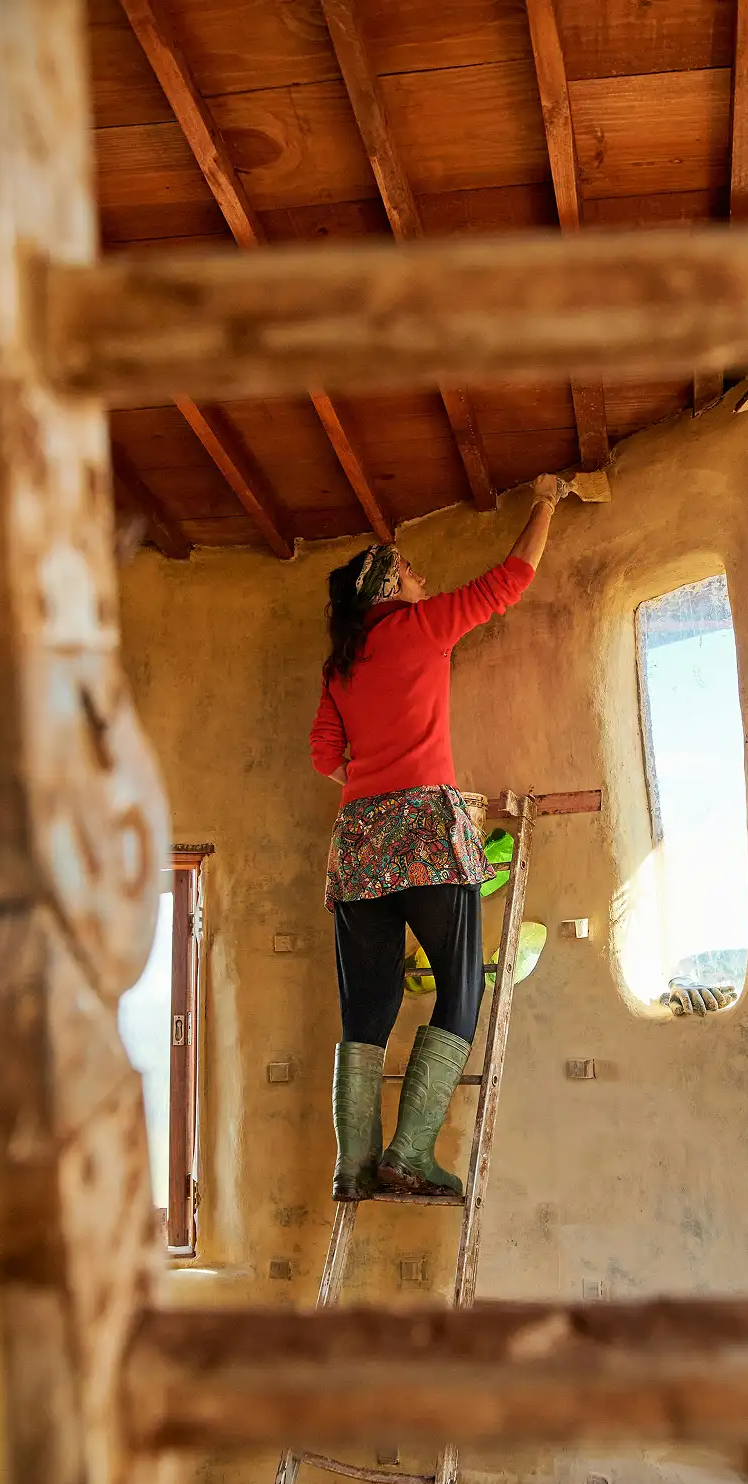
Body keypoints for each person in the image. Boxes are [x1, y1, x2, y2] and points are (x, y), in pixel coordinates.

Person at [310, 474, 560, 1200]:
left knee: (366, 1008)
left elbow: (328, 756)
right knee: (458, 990)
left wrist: (372, 775)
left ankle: (353, 1166)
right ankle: (409, 1155)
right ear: (388, 585)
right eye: (412, 570)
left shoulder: (341, 666)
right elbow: (512, 578)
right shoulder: (422, 627)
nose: (423, 577)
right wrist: (545, 502)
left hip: (359, 843)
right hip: (424, 827)